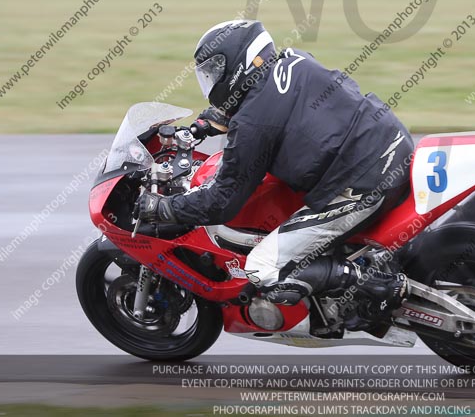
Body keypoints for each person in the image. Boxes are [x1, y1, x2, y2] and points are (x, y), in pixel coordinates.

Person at [134, 19, 414, 330]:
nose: (211, 81)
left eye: (214, 71)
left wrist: (166, 208)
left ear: (238, 63)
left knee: (263, 268)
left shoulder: (252, 125)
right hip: (390, 142)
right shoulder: (294, 59)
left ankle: (377, 285)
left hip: (365, 182)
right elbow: (283, 106)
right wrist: (217, 119)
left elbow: (223, 202)